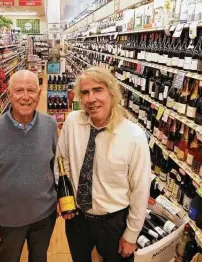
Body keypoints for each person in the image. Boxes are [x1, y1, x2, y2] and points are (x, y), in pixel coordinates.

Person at [54, 66, 151, 262]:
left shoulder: (133, 136)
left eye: (98, 90)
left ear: (112, 93)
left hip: (113, 223)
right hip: (77, 219)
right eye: (85, 93)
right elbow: (61, 160)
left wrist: (131, 234)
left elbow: (140, 189)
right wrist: (65, 198)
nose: (91, 99)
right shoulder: (72, 123)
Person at [0, 70, 58, 262]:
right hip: (8, 220)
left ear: (40, 94)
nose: (25, 97)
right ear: (9, 95)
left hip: (45, 217)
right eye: (19, 90)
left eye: (31, 90)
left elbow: (55, 168)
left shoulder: (50, 125)